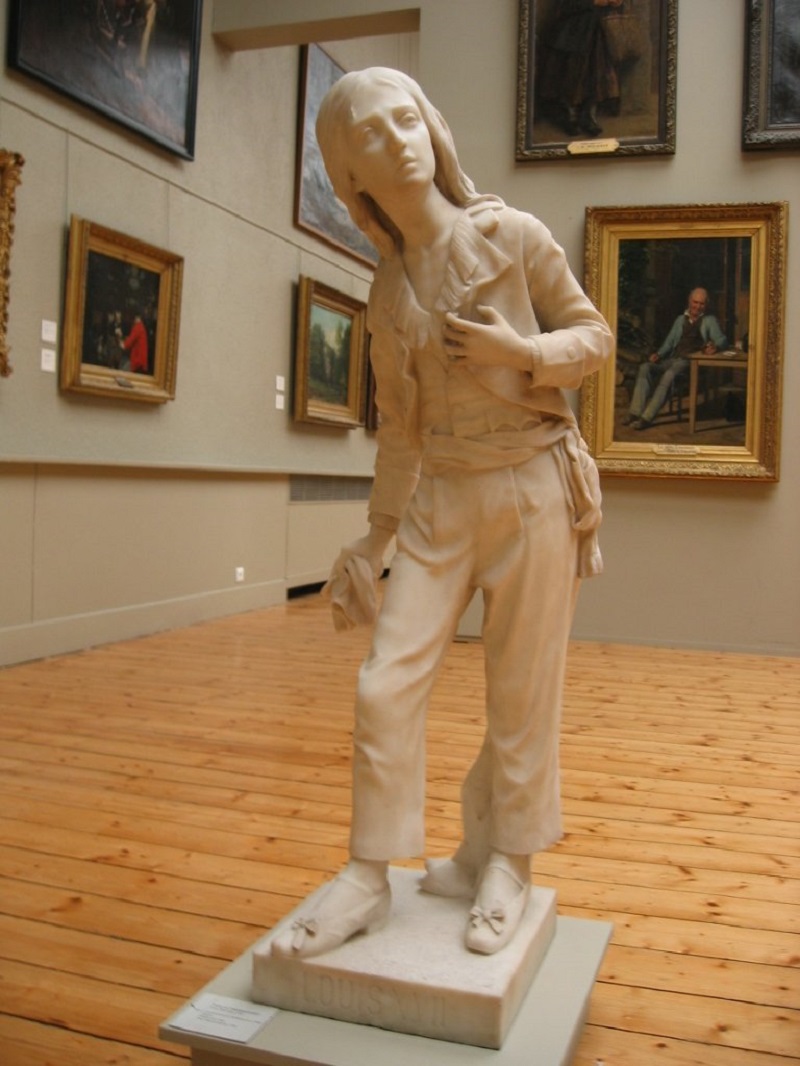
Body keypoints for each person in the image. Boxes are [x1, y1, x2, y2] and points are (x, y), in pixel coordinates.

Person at [271, 67, 613, 961]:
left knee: (521, 696)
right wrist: (374, 537)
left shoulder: (512, 236)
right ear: (352, 178)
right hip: (442, 499)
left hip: (532, 486)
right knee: (384, 684)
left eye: (406, 119)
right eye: (372, 135)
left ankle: (506, 862)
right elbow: (400, 434)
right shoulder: (387, 293)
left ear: (433, 127)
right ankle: (367, 874)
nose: (400, 141)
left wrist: (523, 352)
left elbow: (595, 338)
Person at [625, 287, 727, 430]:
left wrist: (715, 346)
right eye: (695, 302)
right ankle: (634, 413)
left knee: (669, 375)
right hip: (673, 359)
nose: (697, 306)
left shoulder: (709, 320)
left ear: (706, 305)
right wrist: (659, 354)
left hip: (689, 362)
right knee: (645, 367)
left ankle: (646, 417)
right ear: (689, 301)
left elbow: (722, 340)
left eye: (701, 304)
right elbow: (669, 342)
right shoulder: (680, 320)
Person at [538, 0, 623, 138]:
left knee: (595, 76)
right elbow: (565, 6)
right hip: (571, 32)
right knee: (571, 76)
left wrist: (615, 2)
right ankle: (570, 117)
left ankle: (588, 117)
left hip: (595, 33)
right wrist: (594, 2)